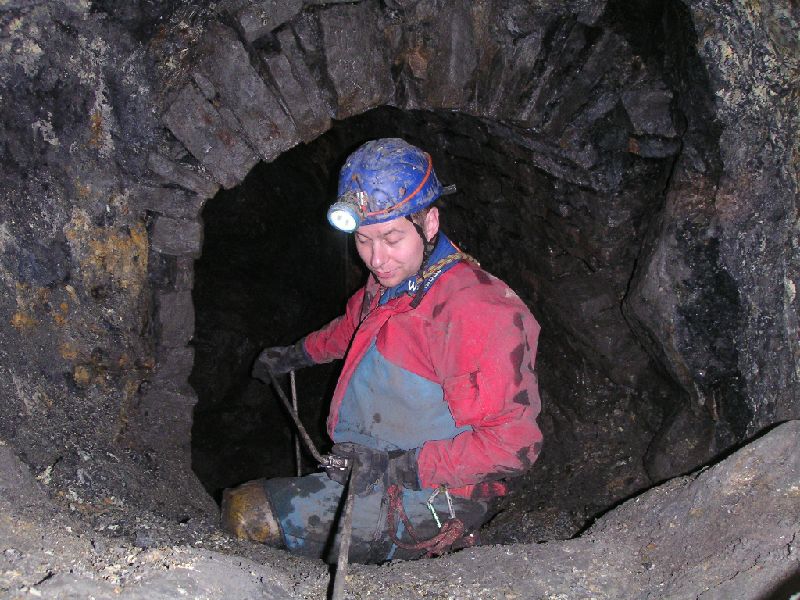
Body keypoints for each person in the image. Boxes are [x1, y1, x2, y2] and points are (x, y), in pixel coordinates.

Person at [220, 138, 542, 564]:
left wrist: (400, 468)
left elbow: (513, 444)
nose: (376, 259)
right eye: (363, 240)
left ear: (429, 223)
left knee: (247, 515)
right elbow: (352, 329)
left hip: (432, 495)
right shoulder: (392, 282)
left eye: (392, 238)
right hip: (367, 468)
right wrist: (294, 355)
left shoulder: (476, 311)